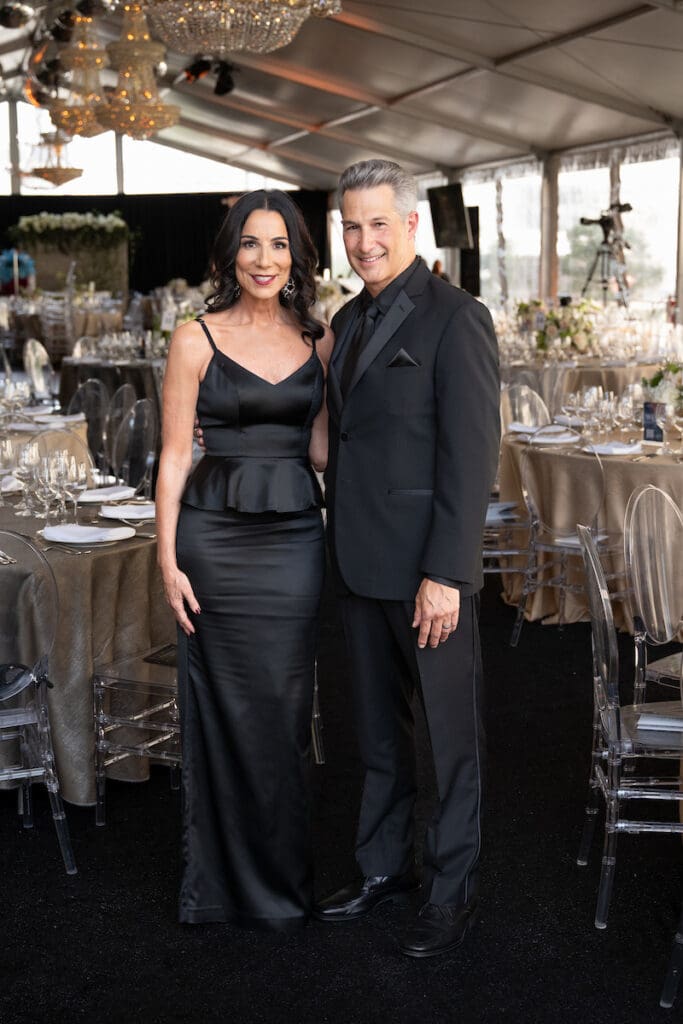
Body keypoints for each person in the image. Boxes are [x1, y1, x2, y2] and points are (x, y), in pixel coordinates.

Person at [314, 160, 500, 958]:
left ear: (411, 225)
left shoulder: (457, 318)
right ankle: (383, 866)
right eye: (351, 227)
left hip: (429, 571)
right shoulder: (344, 320)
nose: (364, 242)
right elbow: (341, 439)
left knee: (448, 742)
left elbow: (470, 456)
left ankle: (452, 891)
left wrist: (447, 574)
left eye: (378, 224)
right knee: (377, 734)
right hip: (358, 561)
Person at [156, 190, 333, 932]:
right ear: (231, 254)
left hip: (293, 542)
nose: (265, 260)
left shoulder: (320, 339)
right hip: (212, 544)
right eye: (252, 244)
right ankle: (217, 887)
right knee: (221, 708)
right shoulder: (192, 339)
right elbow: (173, 457)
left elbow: (322, 450)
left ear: (297, 256)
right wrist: (166, 561)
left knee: (283, 711)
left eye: (280, 244)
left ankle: (280, 885)